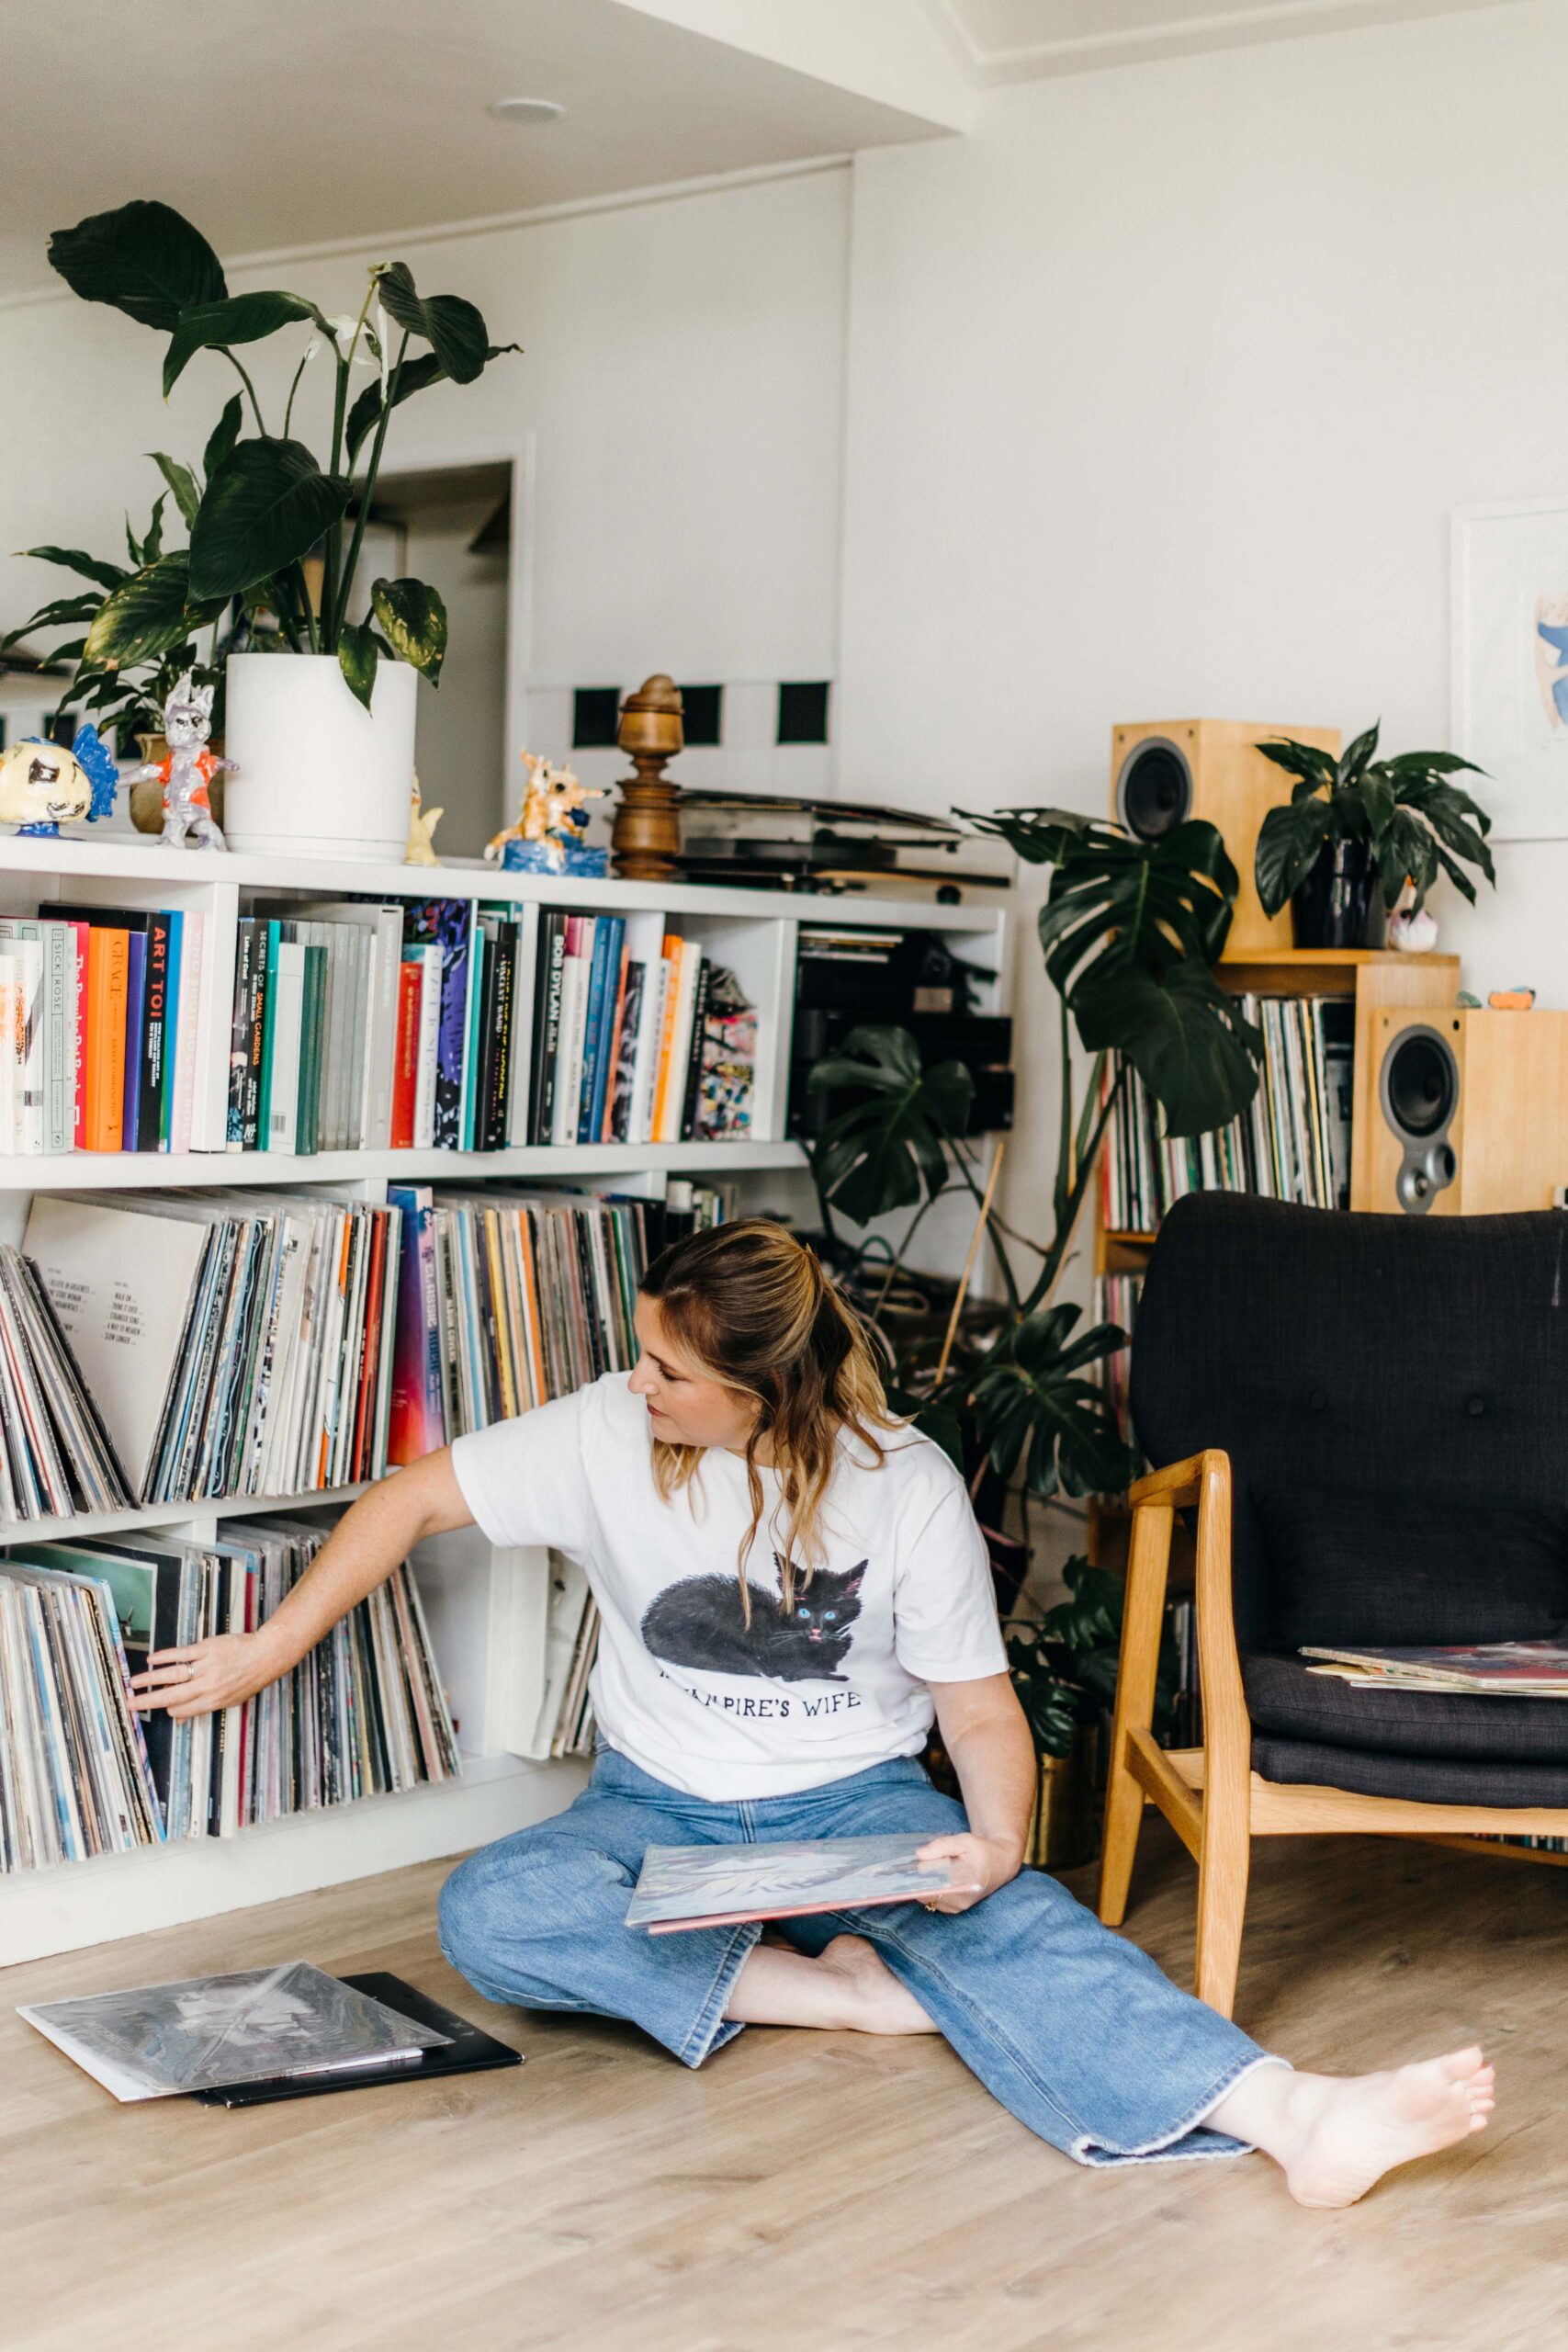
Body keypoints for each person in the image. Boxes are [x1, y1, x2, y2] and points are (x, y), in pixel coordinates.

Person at [131, 1219, 1494, 2206]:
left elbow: (978, 1711)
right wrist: (268, 1645)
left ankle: (1295, 2112)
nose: (637, 1385)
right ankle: (839, 1999)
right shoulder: (615, 1430)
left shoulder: (903, 1486)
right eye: (643, 1359)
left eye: (669, 1372)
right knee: (493, 1914)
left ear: (762, 1394)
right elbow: (415, 1497)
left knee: (1012, 1924)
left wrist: (999, 1844)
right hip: (649, 1809)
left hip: (856, 1805)